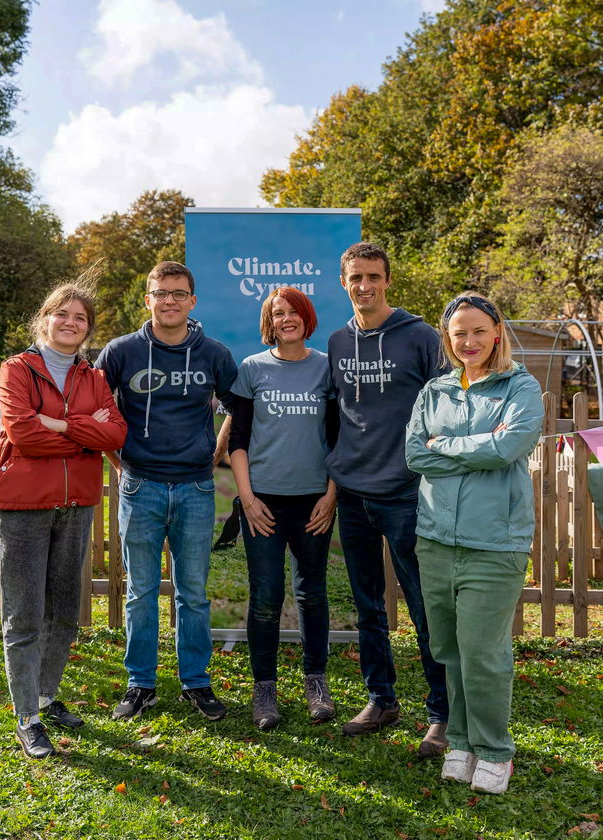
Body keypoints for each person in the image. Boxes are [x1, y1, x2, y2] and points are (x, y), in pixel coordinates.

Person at [406, 292, 543, 794]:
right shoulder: (434, 391)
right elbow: (415, 455)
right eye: (459, 332)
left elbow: (510, 445)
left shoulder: (520, 387)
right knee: (449, 648)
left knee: (483, 653)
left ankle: (494, 750)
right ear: (448, 338)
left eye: (479, 330)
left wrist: (449, 446)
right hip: (436, 538)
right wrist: (478, 448)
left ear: (497, 333)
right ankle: (460, 739)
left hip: (494, 542)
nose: (469, 341)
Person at [0, 279, 127, 759]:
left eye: (81, 318)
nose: (71, 323)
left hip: (77, 507)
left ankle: (46, 696)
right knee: (24, 615)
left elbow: (117, 434)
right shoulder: (17, 370)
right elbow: (24, 435)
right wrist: (87, 436)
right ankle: (26, 715)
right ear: (44, 319)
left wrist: (64, 425)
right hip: (23, 508)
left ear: (88, 330)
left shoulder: (94, 377)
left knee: (65, 611)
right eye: (62, 314)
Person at [95, 261, 237, 722]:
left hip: (196, 488)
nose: (170, 300)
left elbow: (238, 409)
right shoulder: (121, 352)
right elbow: (93, 412)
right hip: (142, 487)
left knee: (192, 592)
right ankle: (141, 684)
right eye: (161, 292)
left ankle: (196, 682)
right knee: (139, 591)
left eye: (179, 292)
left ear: (192, 301)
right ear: (148, 300)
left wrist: (214, 453)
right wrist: (119, 463)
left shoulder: (214, 353)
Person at [326, 241, 448, 757]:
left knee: (424, 607)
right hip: (354, 494)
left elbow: (447, 406)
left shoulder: (420, 337)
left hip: (406, 493)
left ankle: (442, 712)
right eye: (356, 278)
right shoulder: (336, 342)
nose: (364, 286)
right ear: (344, 283)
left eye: (373, 276)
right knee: (367, 605)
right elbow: (336, 416)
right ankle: (382, 699)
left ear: (387, 280)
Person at [228, 287, 337, 731]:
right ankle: (264, 689)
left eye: (294, 312)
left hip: (314, 502)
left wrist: (332, 495)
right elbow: (237, 441)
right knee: (267, 598)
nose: (286, 319)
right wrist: (249, 500)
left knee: (312, 594)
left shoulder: (327, 369)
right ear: (268, 321)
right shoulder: (252, 369)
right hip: (264, 504)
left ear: (306, 317)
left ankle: (316, 683)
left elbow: (339, 438)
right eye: (278, 313)